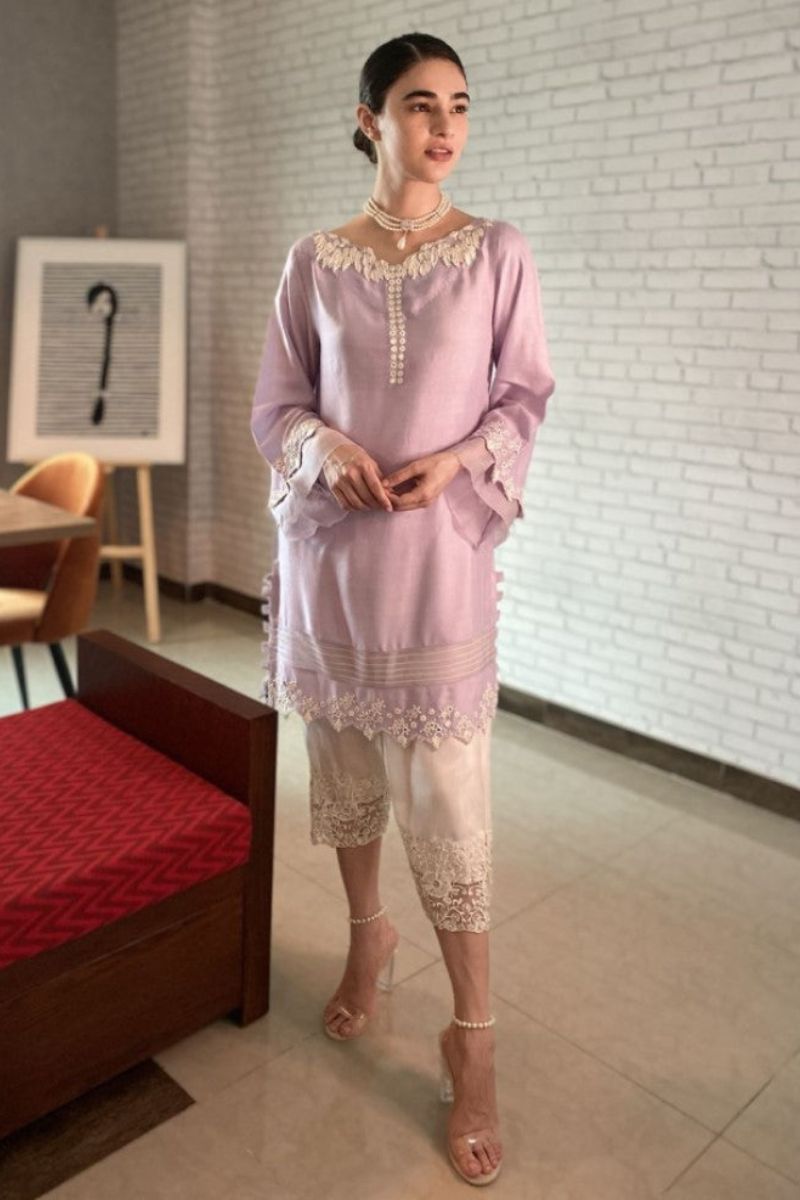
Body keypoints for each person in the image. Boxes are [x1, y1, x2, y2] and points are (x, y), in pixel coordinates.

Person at [250, 31, 556, 1187]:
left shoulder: (495, 253)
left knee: (447, 805)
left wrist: (461, 456)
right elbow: (276, 405)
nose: (443, 126)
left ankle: (471, 1039)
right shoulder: (313, 261)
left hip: (434, 564)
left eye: (459, 106)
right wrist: (323, 447)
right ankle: (366, 938)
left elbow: (522, 395)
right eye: (419, 104)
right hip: (331, 562)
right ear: (368, 119)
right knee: (343, 774)